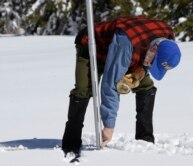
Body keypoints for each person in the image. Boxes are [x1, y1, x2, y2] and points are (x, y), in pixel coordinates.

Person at [62, 16, 181, 156]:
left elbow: (146, 60)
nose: (149, 65)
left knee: (146, 87)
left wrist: (140, 72)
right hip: (92, 46)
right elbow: (110, 84)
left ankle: (145, 140)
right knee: (84, 89)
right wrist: (109, 126)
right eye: (152, 62)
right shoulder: (126, 43)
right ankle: (71, 143)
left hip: (127, 50)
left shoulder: (167, 38)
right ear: (154, 48)